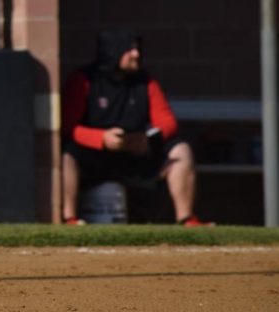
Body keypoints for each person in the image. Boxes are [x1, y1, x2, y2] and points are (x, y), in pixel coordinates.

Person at [60, 27, 212, 227]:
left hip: (135, 154)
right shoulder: (85, 80)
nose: (136, 55)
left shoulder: (145, 82)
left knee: (181, 150)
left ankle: (186, 218)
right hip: (94, 156)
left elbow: (168, 123)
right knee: (67, 154)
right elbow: (68, 126)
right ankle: (69, 218)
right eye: (129, 50)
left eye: (137, 49)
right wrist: (101, 139)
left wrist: (145, 141)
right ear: (113, 51)